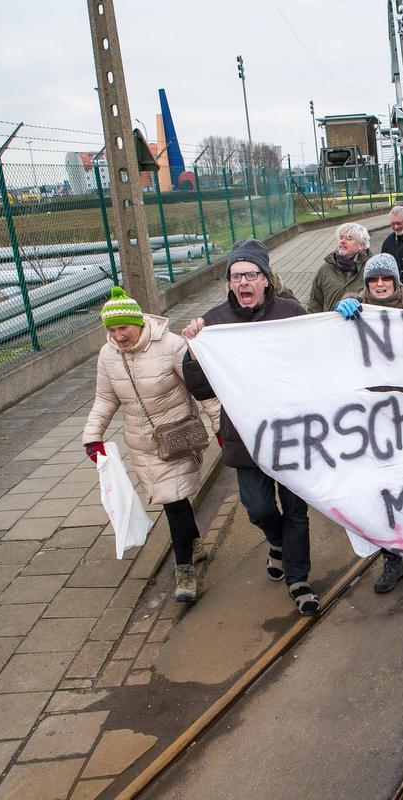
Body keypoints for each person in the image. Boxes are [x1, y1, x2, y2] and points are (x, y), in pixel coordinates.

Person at [181, 239, 320, 614]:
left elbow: (316, 359)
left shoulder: (292, 313)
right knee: (258, 508)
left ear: (265, 279)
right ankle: (275, 542)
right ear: (229, 283)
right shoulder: (212, 325)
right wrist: (194, 355)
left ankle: (299, 579)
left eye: (251, 274)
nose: (243, 281)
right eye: (236, 276)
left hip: (291, 434)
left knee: (295, 509)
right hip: (245, 439)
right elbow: (199, 388)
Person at [83, 287, 221, 603]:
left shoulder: (171, 346)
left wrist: (221, 426)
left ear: (139, 323)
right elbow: (106, 398)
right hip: (141, 443)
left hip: (176, 437)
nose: (118, 336)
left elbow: (202, 390)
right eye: (112, 330)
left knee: (172, 499)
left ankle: (184, 570)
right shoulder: (108, 355)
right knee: (173, 498)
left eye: (123, 328)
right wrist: (92, 436)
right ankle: (195, 544)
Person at [333, 253, 403, 594]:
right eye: (374, 280)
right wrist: (338, 313)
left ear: (396, 282)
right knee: (381, 491)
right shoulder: (352, 313)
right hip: (371, 422)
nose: (380, 284)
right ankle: (392, 559)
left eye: (385, 278)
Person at [308, 222, 371, 313]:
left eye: (349, 238)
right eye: (341, 238)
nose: (343, 241)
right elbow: (314, 304)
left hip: (361, 324)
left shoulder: (371, 268)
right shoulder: (325, 268)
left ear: (361, 245)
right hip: (331, 325)